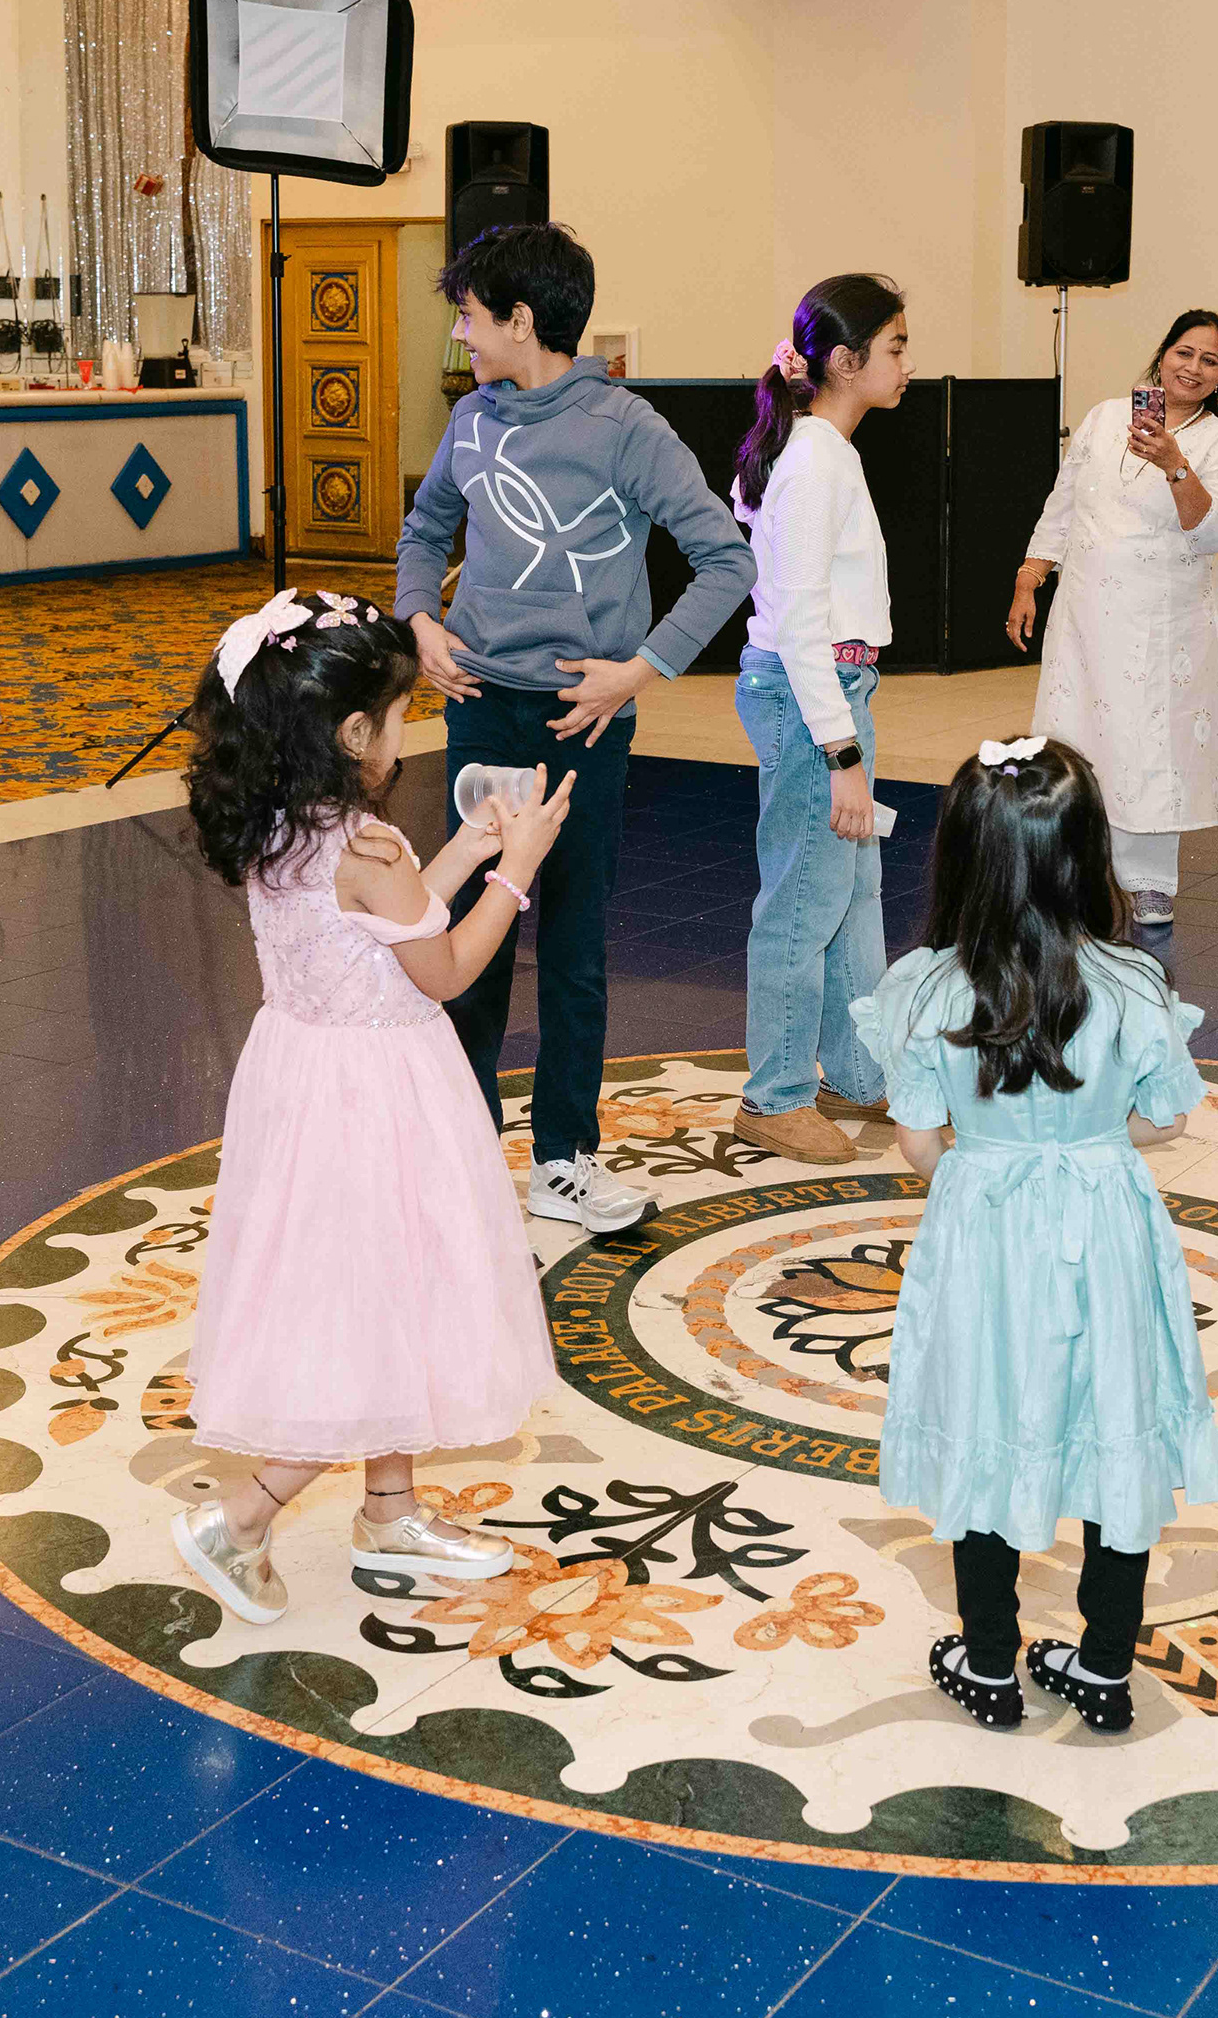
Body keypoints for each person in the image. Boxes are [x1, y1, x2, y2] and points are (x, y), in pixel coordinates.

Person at [168, 587, 578, 1626]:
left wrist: (468, 849)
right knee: (372, 1309)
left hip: (307, 1083)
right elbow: (444, 968)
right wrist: (518, 872)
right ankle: (241, 1519)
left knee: (382, 1293)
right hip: (380, 1096)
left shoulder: (290, 822)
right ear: (354, 733)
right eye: (400, 716)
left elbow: (384, 926)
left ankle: (390, 1512)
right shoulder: (369, 849)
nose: (407, 732)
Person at [851, 735, 1218, 1734]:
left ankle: (988, 1661)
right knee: (1115, 1419)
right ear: (1088, 854)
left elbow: (918, 1142)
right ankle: (1104, 1665)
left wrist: (991, 1162)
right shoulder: (1134, 985)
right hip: (1106, 1228)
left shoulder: (928, 989)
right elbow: (1167, 1119)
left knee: (986, 1417)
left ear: (961, 858)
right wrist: (1087, 1143)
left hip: (985, 1235)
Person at [397, 222, 758, 1232]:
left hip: (581, 727)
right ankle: (464, 1152)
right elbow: (425, 528)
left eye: (471, 316)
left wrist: (638, 671)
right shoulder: (470, 420)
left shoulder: (626, 427)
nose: (461, 333)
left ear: (521, 320)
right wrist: (420, 620)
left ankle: (563, 1160)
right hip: (481, 712)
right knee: (469, 937)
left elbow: (727, 559)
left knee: (572, 946)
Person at [729, 275, 912, 1166]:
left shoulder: (820, 450)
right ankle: (774, 1096)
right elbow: (799, 620)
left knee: (853, 897)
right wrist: (840, 752)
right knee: (803, 905)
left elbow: (750, 515)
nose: (907, 364)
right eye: (896, 348)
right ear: (844, 361)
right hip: (813, 700)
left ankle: (858, 1073)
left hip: (835, 691)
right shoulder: (812, 459)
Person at [1006, 309, 1218, 961]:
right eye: (1184, 352)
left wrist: (1175, 464)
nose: (1192, 368)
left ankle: (1149, 883)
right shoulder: (1102, 418)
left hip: (1161, 626)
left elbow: (1216, 533)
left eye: (1209, 360)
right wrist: (1030, 577)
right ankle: (1065, 872)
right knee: (1075, 738)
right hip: (1084, 616)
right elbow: (1063, 505)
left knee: (1148, 747)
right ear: (1162, 354)